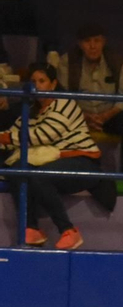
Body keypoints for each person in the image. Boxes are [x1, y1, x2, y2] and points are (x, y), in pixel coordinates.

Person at [0, 61, 110, 249]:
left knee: (38, 176)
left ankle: (69, 230)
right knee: (18, 170)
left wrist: (5, 138)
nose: (37, 86)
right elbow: (11, 137)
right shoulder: (30, 111)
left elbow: (40, 135)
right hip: (51, 163)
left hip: (81, 162)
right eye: (33, 81)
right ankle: (31, 228)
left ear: (53, 84)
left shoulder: (65, 103)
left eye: (42, 81)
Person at [63, 23, 123, 174]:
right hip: (77, 116)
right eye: (87, 41)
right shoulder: (67, 62)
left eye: (97, 41)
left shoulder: (117, 61)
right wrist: (84, 116)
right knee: (57, 115)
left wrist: (104, 116)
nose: (93, 46)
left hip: (108, 116)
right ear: (80, 44)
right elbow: (63, 97)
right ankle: (61, 171)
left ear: (103, 42)